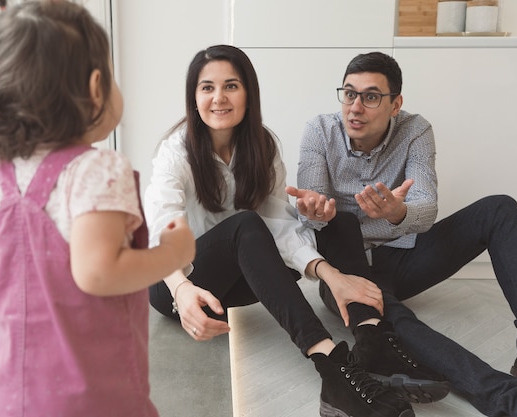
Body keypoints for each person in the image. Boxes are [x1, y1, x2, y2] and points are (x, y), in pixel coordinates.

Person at [142, 44, 438, 417]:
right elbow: (160, 224)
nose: (219, 98)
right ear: (194, 97)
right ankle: (330, 363)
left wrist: (333, 276)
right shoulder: (177, 151)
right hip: (177, 286)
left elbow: (278, 225)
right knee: (246, 226)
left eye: (231, 86)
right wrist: (181, 288)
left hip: (232, 284)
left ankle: (368, 348)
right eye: (207, 88)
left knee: (301, 238)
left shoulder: (261, 146)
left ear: (249, 92)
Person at [0, 1, 195, 416]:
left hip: (15, 393)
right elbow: (99, 271)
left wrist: (28, 317)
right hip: (94, 395)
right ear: (95, 87)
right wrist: (173, 254)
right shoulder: (97, 169)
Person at [292, 51, 517, 417]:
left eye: (371, 96)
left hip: (405, 255)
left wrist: (398, 212)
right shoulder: (319, 131)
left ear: (396, 104)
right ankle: (515, 402)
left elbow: (426, 209)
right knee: (397, 321)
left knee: (498, 209)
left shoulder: (416, 129)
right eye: (349, 93)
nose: (355, 107)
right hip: (347, 273)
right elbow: (313, 216)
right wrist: (315, 213)